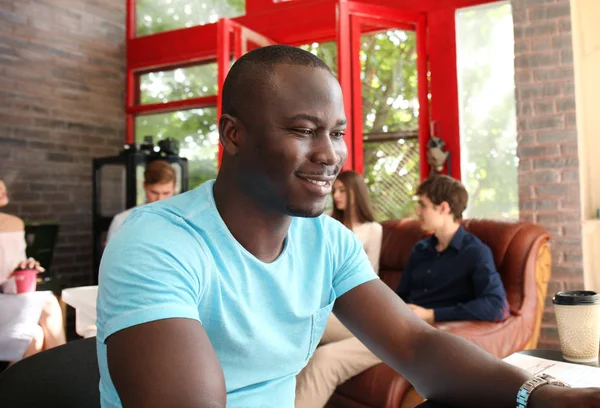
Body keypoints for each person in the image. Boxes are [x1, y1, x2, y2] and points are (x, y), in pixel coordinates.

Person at [96, 45, 600, 408]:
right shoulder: (155, 242)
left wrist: (551, 399)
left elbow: (415, 345)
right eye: (303, 130)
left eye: (336, 132)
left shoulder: (328, 242)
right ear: (233, 134)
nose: (330, 154)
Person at [295, 170, 382, 408]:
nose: (337, 195)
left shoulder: (373, 230)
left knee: (312, 331)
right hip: (322, 301)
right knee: (299, 326)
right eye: (336, 190)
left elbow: (371, 275)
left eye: (343, 190)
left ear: (356, 193)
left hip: (352, 306)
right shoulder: (327, 222)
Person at [397, 174, 509, 324]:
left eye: (423, 206)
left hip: (433, 332)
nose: (418, 212)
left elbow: (495, 305)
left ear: (444, 208)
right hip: (401, 325)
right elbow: (400, 296)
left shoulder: (475, 252)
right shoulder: (420, 249)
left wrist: (432, 314)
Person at [0, 179, 66, 363]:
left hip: (8, 296)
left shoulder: (14, 223)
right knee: (47, 308)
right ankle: (66, 378)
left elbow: (10, 276)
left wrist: (23, 269)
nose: (2, 187)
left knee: (35, 335)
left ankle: (57, 381)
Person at [105, 159, 177, 242]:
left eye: (166, 193)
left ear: (174, 187)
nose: (159, 199)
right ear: (144, 186)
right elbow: (111, 254)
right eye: (154, 192)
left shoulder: (184, 223)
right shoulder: (122, 221)